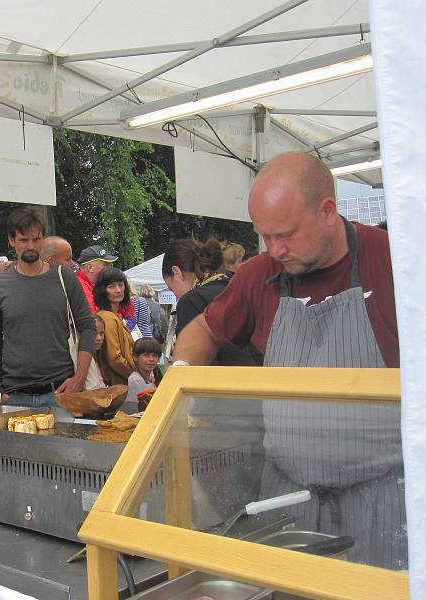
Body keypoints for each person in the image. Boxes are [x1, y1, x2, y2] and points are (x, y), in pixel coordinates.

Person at [172, 152, 403, 568]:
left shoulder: (397, 263)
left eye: (286, 235)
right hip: (287, 499)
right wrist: (181, 376)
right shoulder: (259, 274)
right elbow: (204, 330)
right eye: (264, 236)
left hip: (381, 499)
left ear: (327, 210)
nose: (275, 250)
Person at [0, 208, 96, 407]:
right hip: (15, 395)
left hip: (61, 391)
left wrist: (80, 378)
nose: (31, 246)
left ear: (43, 239)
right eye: (23, 240)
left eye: (36, 239)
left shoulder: (65, 277)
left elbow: (87, 326)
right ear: (11, 240)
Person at [163, 238, 260, 366]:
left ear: (177, 272)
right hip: (262, 378)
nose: (175, 295)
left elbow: (193, 366)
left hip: (221, 383)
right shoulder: (240, 290)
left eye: (171, 288)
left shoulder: (191, 302)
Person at [92, 267, 135, 385]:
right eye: (111, 286)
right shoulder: (108, 318)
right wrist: (135, 374)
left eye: (121, 285)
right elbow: (114, 358)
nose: (118, 290)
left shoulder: (114, 316)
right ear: (103, 290)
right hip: (119, 383)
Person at [75, 245, 118, 311]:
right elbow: (95, 316)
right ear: (90, 267)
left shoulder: (92, 284)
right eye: (105, 264)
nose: (109, 268)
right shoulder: (79, 286)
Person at [126, 337, 162, 409]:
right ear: (135, 357)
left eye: (154, 356)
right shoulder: (135, 379)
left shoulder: (152, 377)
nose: (151, 359)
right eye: (146, 355)